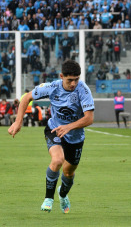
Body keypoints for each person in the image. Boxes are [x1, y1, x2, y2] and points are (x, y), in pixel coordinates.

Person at [8, 60, 95, 213]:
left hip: (75, 137)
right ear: (61, 76)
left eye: (76, 79)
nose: (73, 83)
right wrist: (18, 122)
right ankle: (48, 198)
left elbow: (89, 118)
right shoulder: (52, 87)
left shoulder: (84, 90)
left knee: (69, 172)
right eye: (70, 80)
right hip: (54, 129)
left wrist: (69, 127)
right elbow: (26, 98)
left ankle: (62, 194)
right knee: (57, 160)